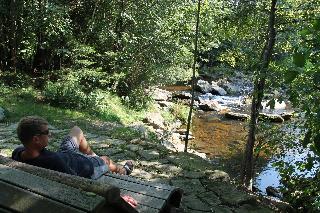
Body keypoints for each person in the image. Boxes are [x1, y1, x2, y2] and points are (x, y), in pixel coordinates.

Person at [12, 116, 134, 179]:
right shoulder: (53, 161)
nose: (50, 134)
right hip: (82, 165)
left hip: (64, 155)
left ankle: (94, 157)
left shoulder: (18, 152)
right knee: (106, 160)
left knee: (76, 130)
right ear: (36, 139)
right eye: (46, 132)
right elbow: (76, 181)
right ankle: (122, 170)